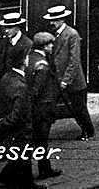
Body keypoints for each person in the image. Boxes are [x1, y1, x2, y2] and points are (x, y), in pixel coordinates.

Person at [0, 49, 40, 189]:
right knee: (22, 158)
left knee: (21, 159)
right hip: (20, 130)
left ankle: (27, 184)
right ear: (24, 61)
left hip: (9, 132)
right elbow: (17, 115)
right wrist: (3, 123)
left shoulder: (6, 77)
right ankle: (7, 181)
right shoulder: (21, 86)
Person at [45, 5, 94, 140]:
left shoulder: (72, 34)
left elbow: (74, 60)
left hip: (72, 79)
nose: (51, 23)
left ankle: (88, 130)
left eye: (54, 20)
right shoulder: (57, 34)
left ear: (61, 20)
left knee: (79, 108)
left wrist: (66, 80)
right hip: (58, 78)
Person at [26, 33, 62, 181]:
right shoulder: (42, 65)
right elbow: (37, 90)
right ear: (44, 46)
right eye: (50, 44)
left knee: (36, 141)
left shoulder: (30, 58)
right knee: (42, 141)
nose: (52, 47)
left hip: (35, 109)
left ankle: (42, 168)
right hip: (43, 108)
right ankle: (44, 170)